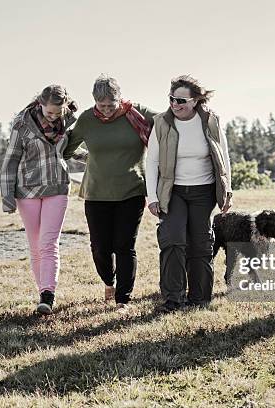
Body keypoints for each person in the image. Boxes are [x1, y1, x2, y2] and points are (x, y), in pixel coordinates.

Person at [63, 74, 157, 312]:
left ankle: (123, 299)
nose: (105, 110)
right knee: (100, 247)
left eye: (111, 105)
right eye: (101, 105)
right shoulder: (87, 119)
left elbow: (170, 122)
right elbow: (66, 149)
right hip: (96, 193)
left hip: (132, 190)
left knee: (125, 245)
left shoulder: (138, 113)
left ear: (120, 98)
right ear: (94, 101)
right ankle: (109, 282)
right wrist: (90, 157)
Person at [146, 75, 233, 312]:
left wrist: (228, 191)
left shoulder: (211, 121)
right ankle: (173, 298)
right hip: (172, 191)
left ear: (195, 101)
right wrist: (152, 198)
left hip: (203, 191)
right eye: (172, 99)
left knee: (201, 243)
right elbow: (151, 161)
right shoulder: (161, 123)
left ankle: (200, 298)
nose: (175, 104)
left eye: (181, 100)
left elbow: (224, 157)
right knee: (172, 239)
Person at [0, 85, 80, 315]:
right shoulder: (22, 124)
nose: (54, 117)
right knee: (36, 247)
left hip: (57, 188)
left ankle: (48, 294)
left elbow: (70, 151)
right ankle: (42, 293)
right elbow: (11, 159)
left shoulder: (67, 122)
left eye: (58, 113)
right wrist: (7, 195)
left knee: (48, 243)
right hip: (27, 192)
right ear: (40, 104)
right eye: (49, 113)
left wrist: (98, 157)